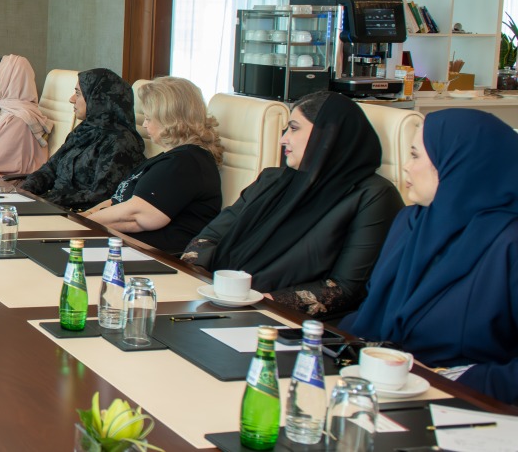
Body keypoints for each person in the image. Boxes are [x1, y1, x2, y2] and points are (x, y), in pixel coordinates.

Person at [341, 110, 518, 404]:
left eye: (415, 156)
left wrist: (446, 380)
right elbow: (371, 313)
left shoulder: (510, 243)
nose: (406, 168)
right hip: (383, 387)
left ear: (459, 164)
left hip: (466, 406)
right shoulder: (411, 222)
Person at [182, 91, 403, 319]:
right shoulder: (272, 180)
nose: (283, 139)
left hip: (289, 321)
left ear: (328, 135)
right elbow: (210, 236)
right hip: (220, 300)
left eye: (294, 128)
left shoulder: (373, 196)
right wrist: (193, 276)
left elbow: (344, 288)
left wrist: (259, 301)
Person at [82, 76, 223, 255]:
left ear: (169, 120)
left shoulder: (186, 163)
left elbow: (135, 216)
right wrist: (82, 218)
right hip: (128, 247)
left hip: (157, 258)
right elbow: (117, 200)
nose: (144, 124)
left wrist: (81, 225)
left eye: (149, 118)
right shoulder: (173, 158)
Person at [21, 68, 144, 211]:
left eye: (78, 94)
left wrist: (46, 202)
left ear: (98, 99)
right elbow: (51, 168)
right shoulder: (84, 129)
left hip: (78, 215)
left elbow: (101, 196)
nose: (71, 99)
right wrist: (26, 191)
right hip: (52, 206)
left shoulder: (120, 143)